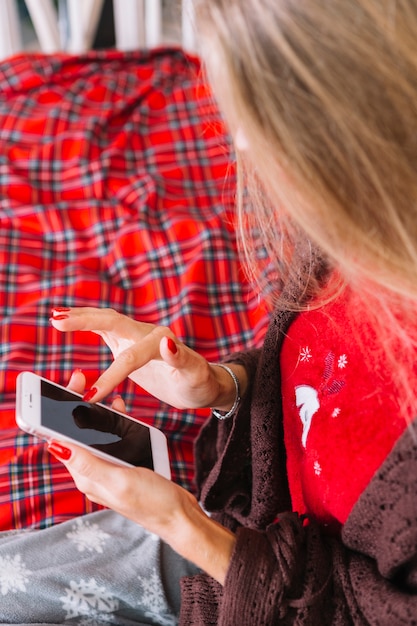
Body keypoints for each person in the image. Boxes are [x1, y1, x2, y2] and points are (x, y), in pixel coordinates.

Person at [2, 0, 417, 623]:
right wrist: (224, 384)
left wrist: (182, 524)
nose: (236, 142)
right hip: (245, 538)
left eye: (256, 117)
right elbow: (324, 375)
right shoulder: (347, 228)